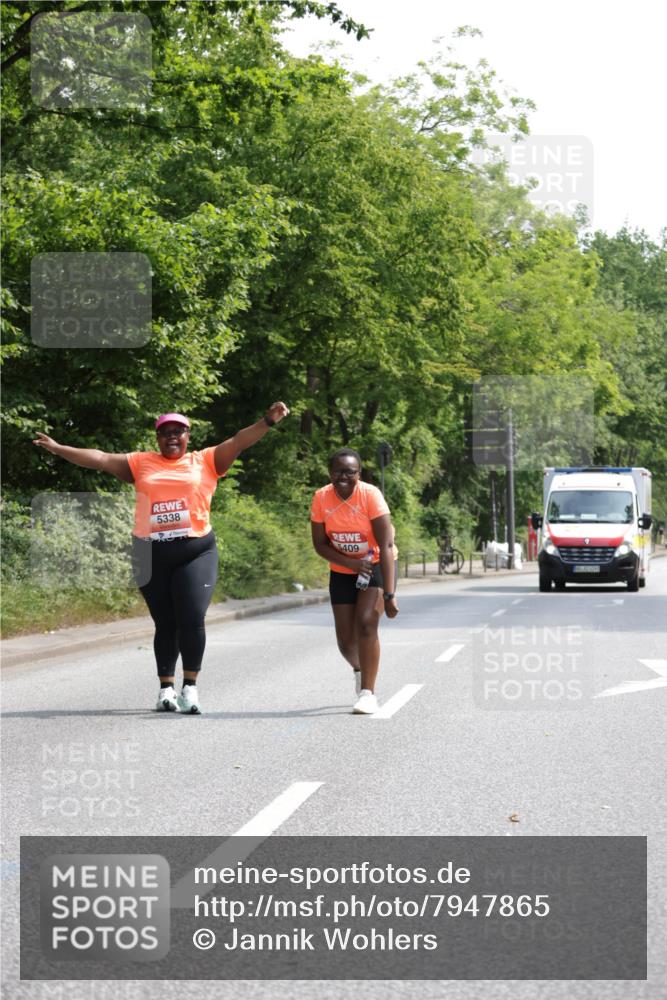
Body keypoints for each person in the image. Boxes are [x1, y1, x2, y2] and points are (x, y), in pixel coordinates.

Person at [33, 403, 290, 714]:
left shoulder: (205, 460)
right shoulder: (141, 463)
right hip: (150, 551)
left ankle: (190, 687)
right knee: (165, 623)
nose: (172, 436)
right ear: (157, 438)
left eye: (178, 431)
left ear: (187, 436)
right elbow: (99, 458)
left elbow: (238, 441)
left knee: (191, 618)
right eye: (165, 432)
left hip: (195, 550)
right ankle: (165, 689)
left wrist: (267, 421)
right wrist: (58, 449)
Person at [310, 448, 399, 715]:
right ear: (330, 473)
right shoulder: (321, 497)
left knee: (366, 622)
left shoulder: (370, 495)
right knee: (346, 641)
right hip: (343, 569)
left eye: (350, 472)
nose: (344, 477)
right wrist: (351, 564)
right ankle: (361, 669)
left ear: (359, 474)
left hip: (376, 564)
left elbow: (386, 544)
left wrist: (390, 595)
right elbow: (320, 545)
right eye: (338, 471)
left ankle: (368, 694)